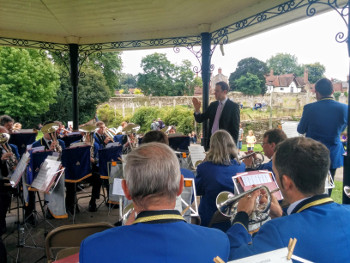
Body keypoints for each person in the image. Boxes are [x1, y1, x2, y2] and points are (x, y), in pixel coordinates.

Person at [80, 142, 230, 263]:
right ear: (180, 187)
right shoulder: (218, 241)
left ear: (126, 190)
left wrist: (120, 236)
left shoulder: (93, 247)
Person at [227, 137, 350, 262]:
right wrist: (281, 216)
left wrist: (241, 216)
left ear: (286, 182)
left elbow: (235, 257)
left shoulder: (275, 231)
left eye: (275, 174)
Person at [297, 78, 347, 195]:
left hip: (312, 153)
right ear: (333, 91)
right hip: (333, 153)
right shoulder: (345, 108)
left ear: (317, 92)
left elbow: (300, 129)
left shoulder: (309, 108)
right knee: (329, 186)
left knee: (311, 187)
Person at [195, 130, 245, 230]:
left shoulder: (204, 168)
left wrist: (204, 164)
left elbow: (197, 190)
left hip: (209, 220)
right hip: (233, 220)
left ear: (212, 147)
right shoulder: (241, 166)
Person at [192, 81, 240, 149]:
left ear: (225, 92)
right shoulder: (213, 105)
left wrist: (232, 149)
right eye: (215, 90)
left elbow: (235, 130)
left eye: (217, 91)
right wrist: (197, 110)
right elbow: (200, 119)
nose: (214, 93)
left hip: (224, 145)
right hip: (211, 143)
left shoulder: (233, 107)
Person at [0, 126, 19, 236]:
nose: (6, 138)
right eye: (3, 136)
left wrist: (14, 163)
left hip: (8, 178)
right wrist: (2, 160)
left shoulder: (7, 146)